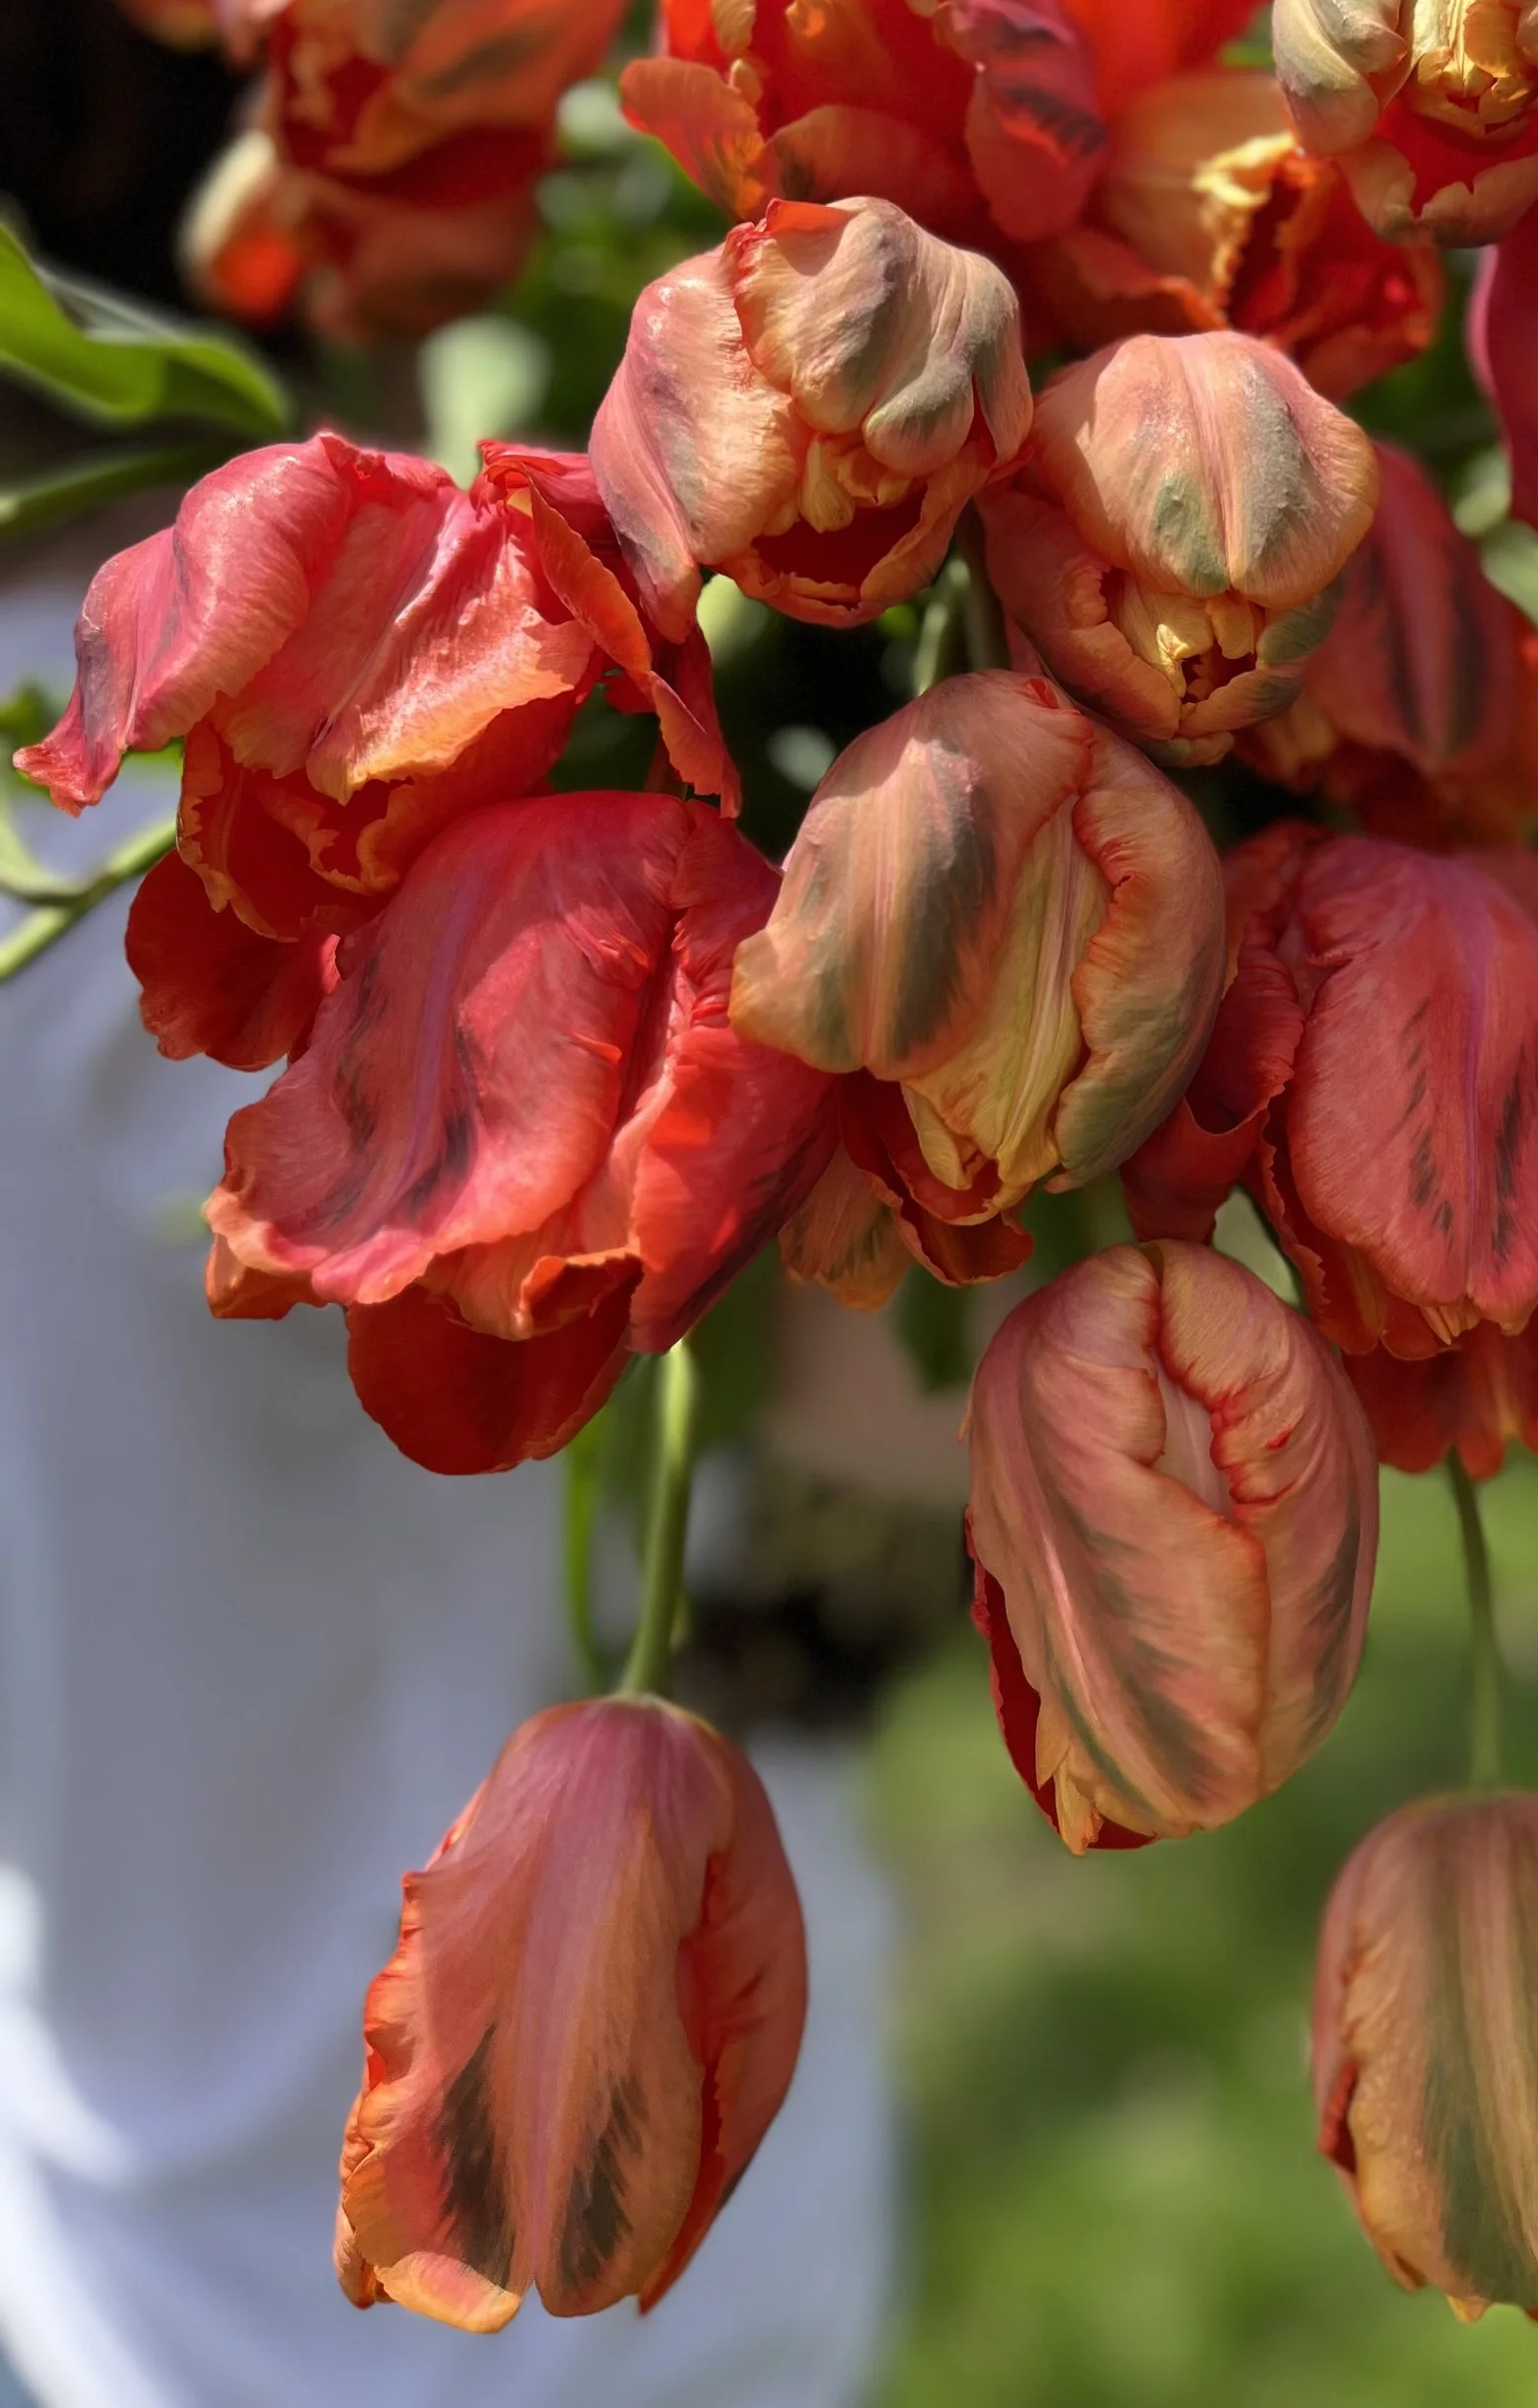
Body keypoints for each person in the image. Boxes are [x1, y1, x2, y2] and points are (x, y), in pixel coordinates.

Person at [0, 524, 897, 2408]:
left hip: (119, 2209)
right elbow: (883, 1441)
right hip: (647, 2286)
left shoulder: (201, 731)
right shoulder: (319, 715)